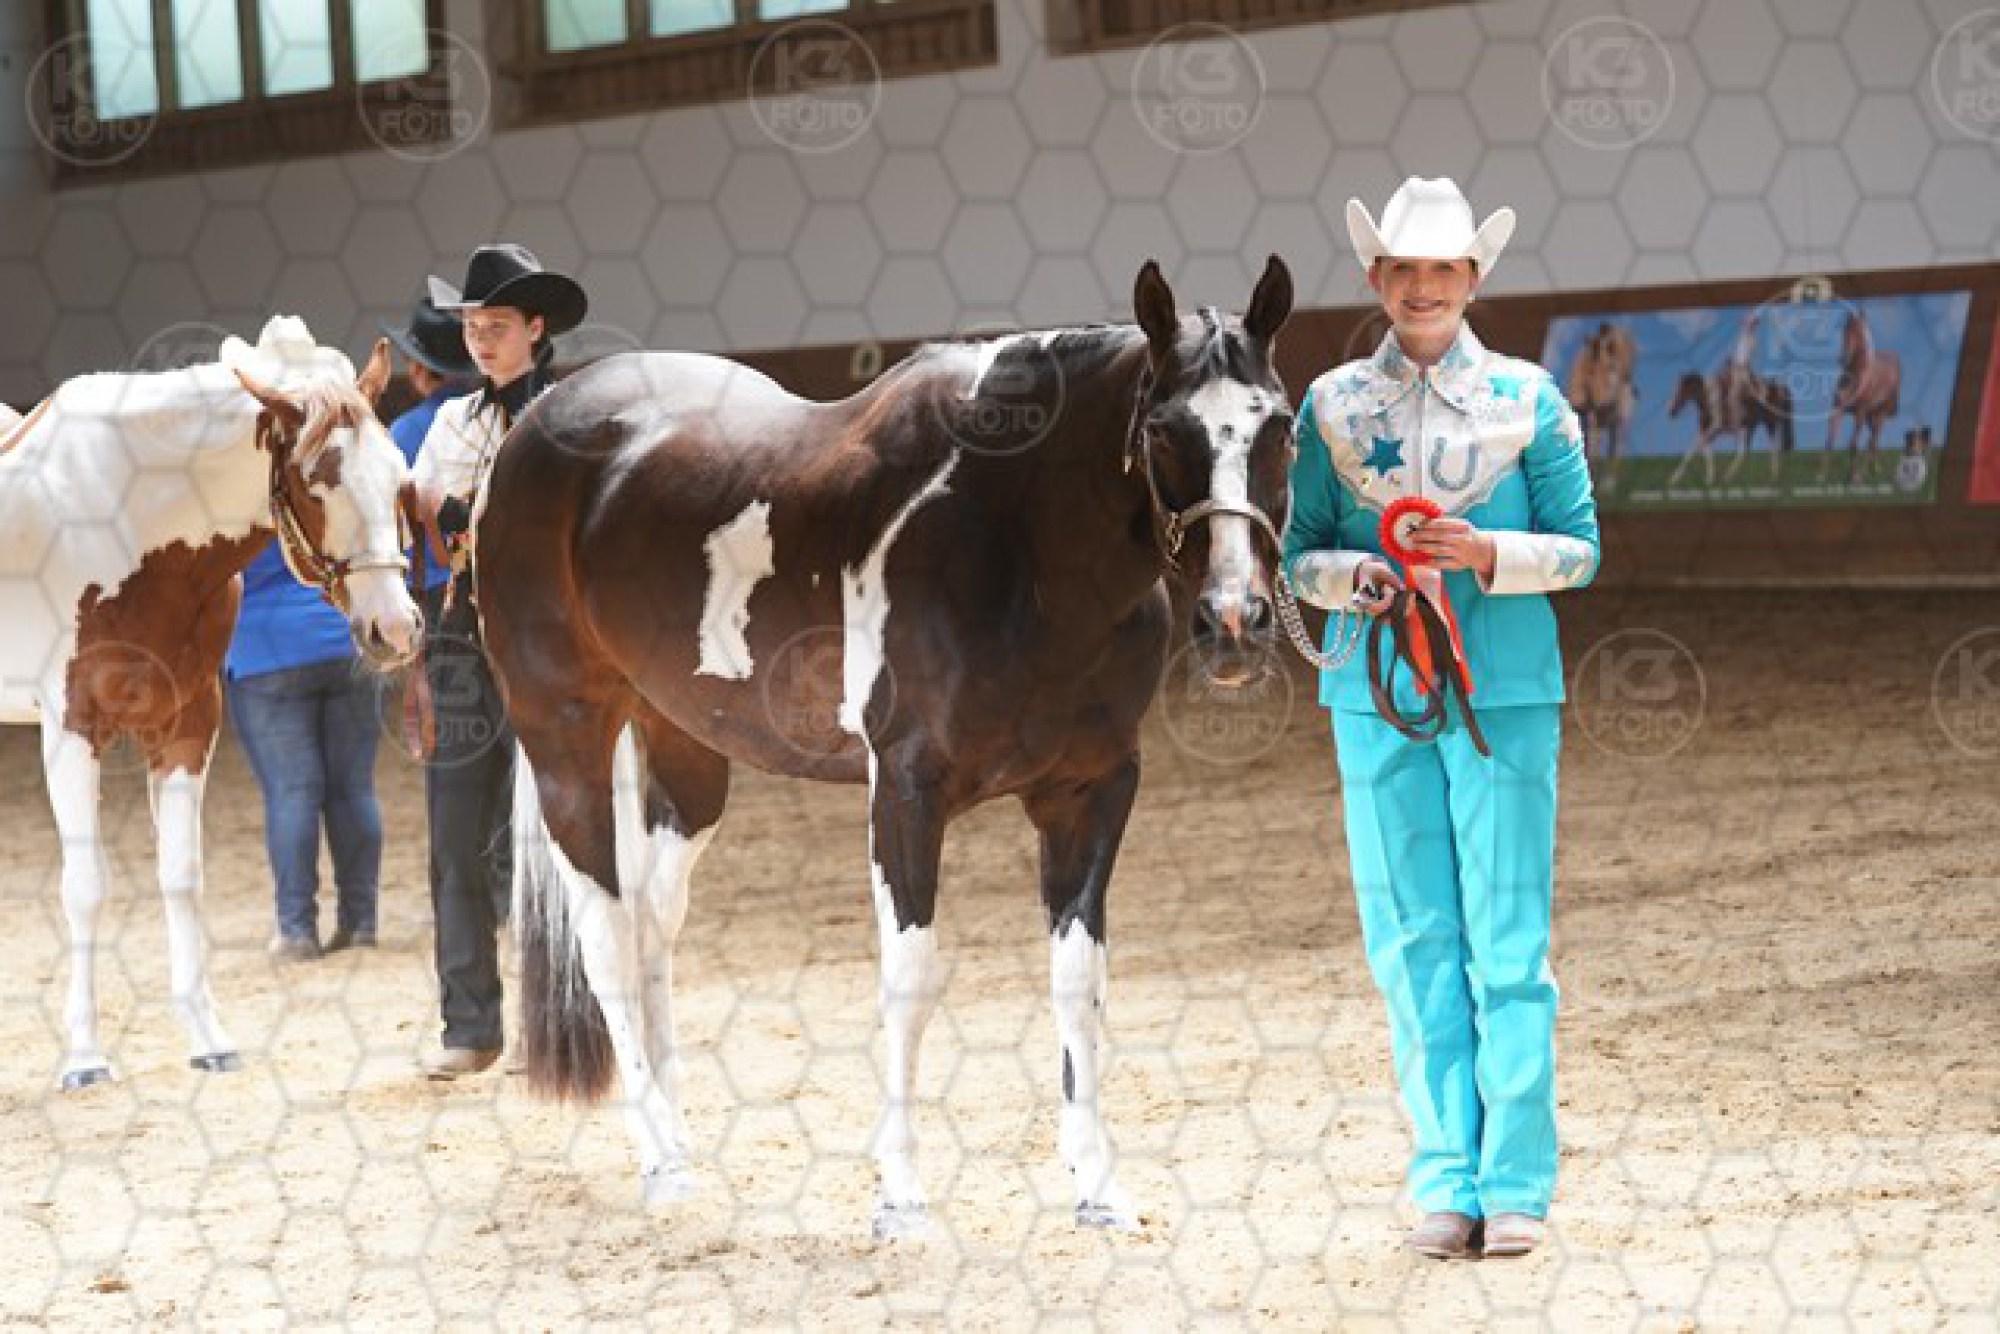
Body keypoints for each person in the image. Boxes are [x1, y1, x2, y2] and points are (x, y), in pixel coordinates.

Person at [1283, 178, 1601, 1260]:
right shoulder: (1329, 408)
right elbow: (1296, 556)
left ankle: (1514, 1182)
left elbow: (1581, 549)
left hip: (1502, 694)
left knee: (1507, 939)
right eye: (1404, 270)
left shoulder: (1529, 399)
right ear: (1376, 278)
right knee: (1410, 937)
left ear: (1472, 278)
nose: (1422, 288)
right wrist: (1357, 578)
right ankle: (1443, 1180)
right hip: (1374, 697)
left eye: (1442, 270)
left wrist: (1487, 554)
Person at [409, 244, 587, 1080]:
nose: (481, 342)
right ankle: (470, 1025)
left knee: (550, 840)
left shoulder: (568, 416)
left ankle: (557, 1026)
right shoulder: (452, 421)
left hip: (551, 647)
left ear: (536, 327)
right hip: (461, 639)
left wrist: (456, 511)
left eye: (497, 327)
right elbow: (423, 510)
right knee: (453, 839)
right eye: (473, 328)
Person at [225, 505, 386, 963]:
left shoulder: (240, 489)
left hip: (264, 649)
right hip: (344, 639)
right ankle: (360, 924)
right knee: (354, 789)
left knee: (291, 793)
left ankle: (297, 931)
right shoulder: (327, 481)